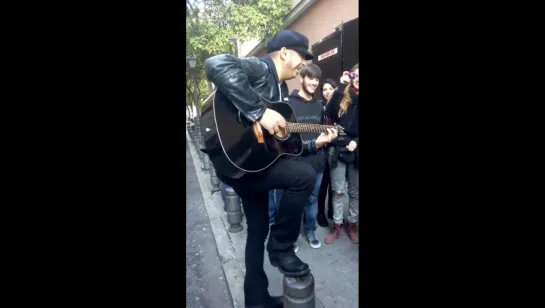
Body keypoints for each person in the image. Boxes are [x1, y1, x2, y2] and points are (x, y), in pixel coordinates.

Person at [204, 30, 338, 308]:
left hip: (253, 165)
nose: (303, 63)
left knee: (257, 231)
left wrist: (316, 144)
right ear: (285, 52)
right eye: (302, 56)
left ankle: (256, 299)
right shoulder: (261, 68)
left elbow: (285, 147)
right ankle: (281, 247)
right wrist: (260, 112)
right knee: (303, 176)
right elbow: (216, 63)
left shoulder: (280, 92)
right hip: (239, 165)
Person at [268, 64, 328, 249]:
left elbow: (321, 131)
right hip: (294, 163)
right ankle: (290, 237)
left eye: (317, 79)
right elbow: (280, 136)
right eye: (310, 78)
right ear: (301, 78)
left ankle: (310, 231)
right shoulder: (287, 104)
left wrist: (327, 137)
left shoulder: (320, 105)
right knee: (291, 204)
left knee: (311, 201)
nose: (314, 83)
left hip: (316, 162)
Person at [324, 64, 360, 245]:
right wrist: (339, 87)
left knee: (355, 192)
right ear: (352, 76)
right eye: (356, 75)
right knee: (338, 191)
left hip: (356, 149)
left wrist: (357, 141)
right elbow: (329, 112)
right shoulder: (343, 94)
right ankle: (337, 225)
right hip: (337, 148)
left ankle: (351, 224)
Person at [316, 78, 338, 227]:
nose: (327, 92)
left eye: (330, 88)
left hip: (336, 148)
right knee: (323, 183)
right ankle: (320, 213)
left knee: (333, 182)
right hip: (322, 148)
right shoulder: (320, 106)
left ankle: (331, 210)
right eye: (324, 89)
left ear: (336, 89)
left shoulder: (341, 105)